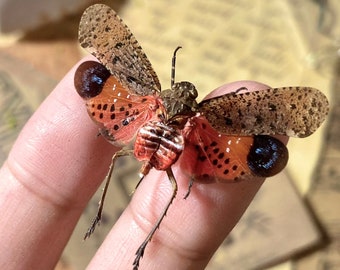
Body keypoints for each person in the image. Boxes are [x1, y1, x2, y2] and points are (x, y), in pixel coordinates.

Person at [0, 59, 287, 269]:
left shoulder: (156, 102)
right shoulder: (195, 118)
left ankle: (120, 233)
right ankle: (139, 248)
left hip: (153, 140)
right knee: (173, 189)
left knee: (124, 161)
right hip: (167, 147)